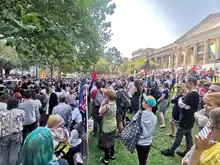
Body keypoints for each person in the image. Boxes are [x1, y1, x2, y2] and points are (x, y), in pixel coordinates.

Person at [161, 76, 200, 157]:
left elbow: (182, 105)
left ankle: (171, 151)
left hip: (186, 118)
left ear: (191, 83)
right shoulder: (194, 93)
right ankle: (188, 151)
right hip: (189, 118)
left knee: (179, 135)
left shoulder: (192, 94)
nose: (185, 84)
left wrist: (180, 99)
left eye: (187, 82)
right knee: (188, 135)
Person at [0, 97, 25, 165]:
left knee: (3, 154)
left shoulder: (1, 113)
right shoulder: (21, 112)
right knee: (14, 153)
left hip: (4, 134)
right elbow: (23, 121)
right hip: (16, 134)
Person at [136, 94, 157, 165]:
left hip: (139, 141)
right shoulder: (155, 117)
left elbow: (134, 124)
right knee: (144, 157)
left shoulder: (140, 114)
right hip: (148, 142)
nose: (142, 102)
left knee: (141, 158)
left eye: (143, 101)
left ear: (146, 104)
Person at [99, 90, 117, 165]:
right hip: (113, 123)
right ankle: (112, 155)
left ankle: (106, 159)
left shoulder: (106, 106)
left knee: (106, 143)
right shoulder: (115, 104)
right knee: (112, 140)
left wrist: (102, 104)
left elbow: (100, 112)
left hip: (107, 125)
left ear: (108, 97)